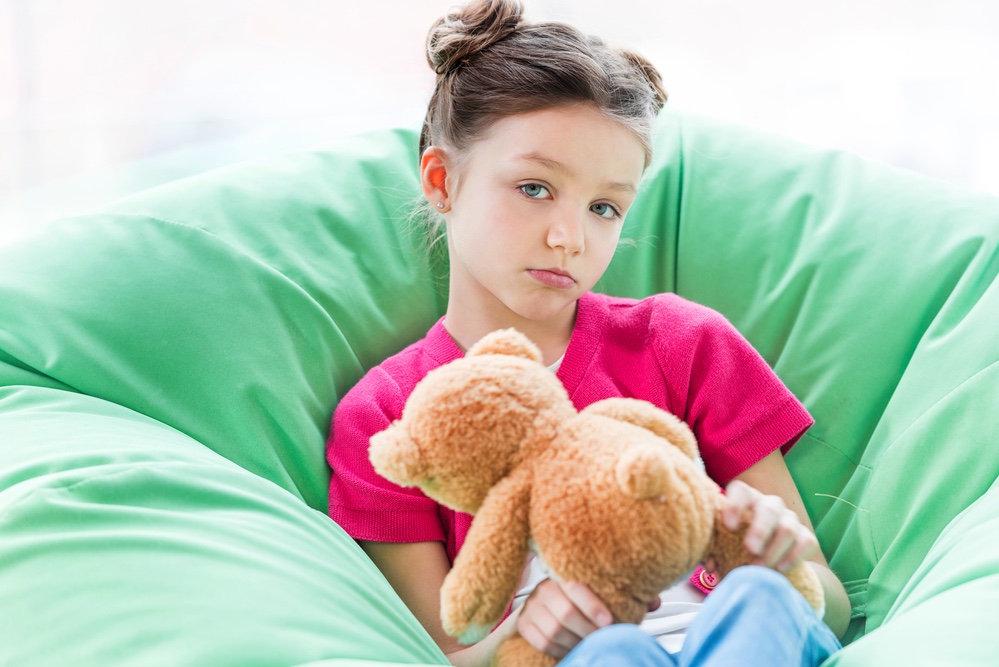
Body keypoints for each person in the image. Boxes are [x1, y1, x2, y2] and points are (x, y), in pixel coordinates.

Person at [327, 0, 850, 664]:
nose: (568, 238)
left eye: (604, 207)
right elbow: (441, 654)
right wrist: (520, 635)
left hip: (751, 638)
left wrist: (785, 558)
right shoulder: (389, 419)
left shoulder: (682, 343)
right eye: (534, 188)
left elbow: (827, 602)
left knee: (757, 597)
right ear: (442, 180)